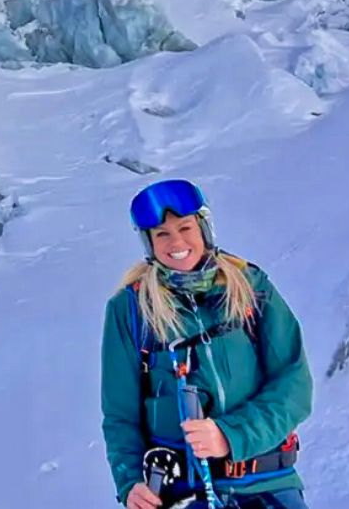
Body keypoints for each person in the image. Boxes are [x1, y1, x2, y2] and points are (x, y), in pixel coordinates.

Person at [101, 179, 313, 509]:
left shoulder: (251, 287)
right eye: (162, 234)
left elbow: (294, 387)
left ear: (204, 229)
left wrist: (229, 435)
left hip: (268, 483)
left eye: (185, 227)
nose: (177, 242)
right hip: (182, 491)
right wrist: (130, 483)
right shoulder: (129, 310)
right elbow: (120, 416)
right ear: (149, 244)